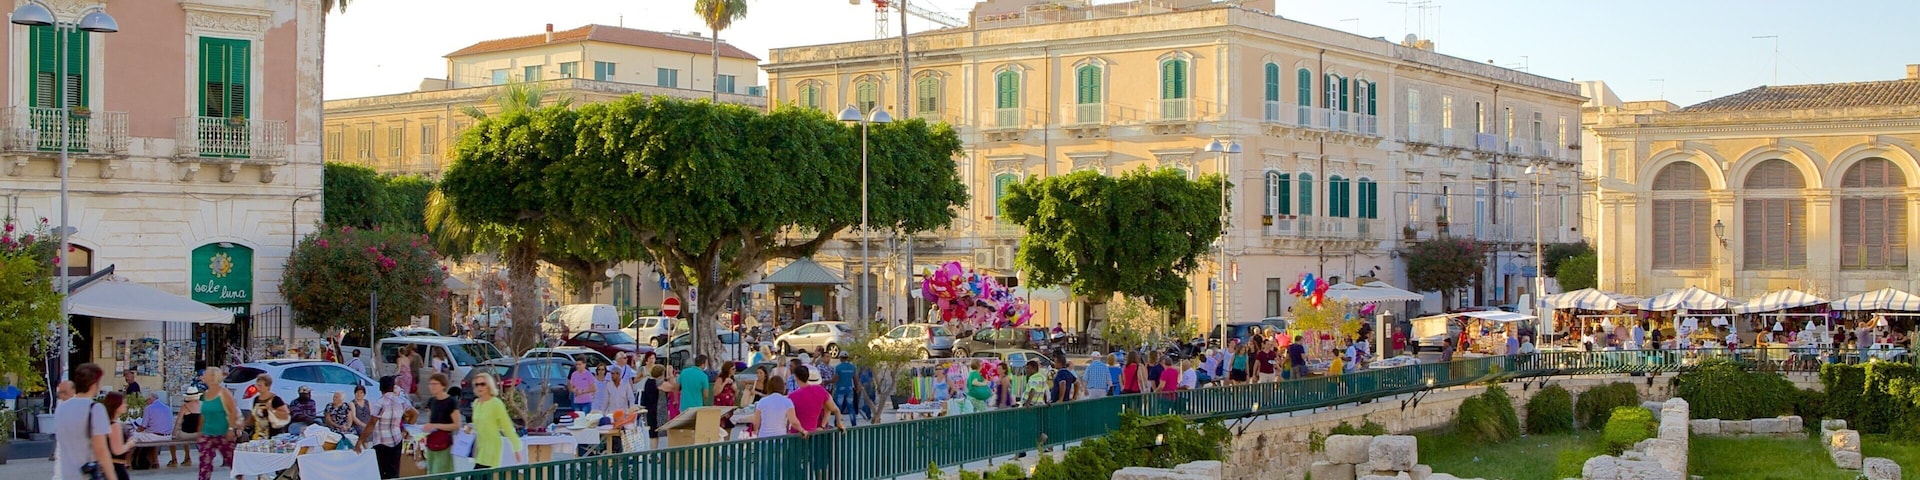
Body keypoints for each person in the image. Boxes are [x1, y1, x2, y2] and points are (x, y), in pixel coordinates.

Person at [57, 363, 118, 480]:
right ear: (94, 384)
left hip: (67, 473)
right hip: (87, 473)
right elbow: (101, 449)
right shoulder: (95, 408)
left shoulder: (61, 408)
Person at [468, 372, 524, 470]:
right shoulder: (476, 403)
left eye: (482, 384)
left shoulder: (496, 404)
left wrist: (516, 448)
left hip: (491, 447)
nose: (479, 387)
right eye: (477, 384)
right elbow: (478, 424)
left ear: (489, 385)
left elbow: (507, 426)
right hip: (479, 447)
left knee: (478, 476)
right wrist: (469, 429)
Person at [361, 376, 413, 479]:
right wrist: (406, 430)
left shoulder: (380, 403)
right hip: (397, 439)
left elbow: (371, 423)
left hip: (381, 441)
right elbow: (415, 414)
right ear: (392, 387)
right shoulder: (401, 401)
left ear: (380, 388)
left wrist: (361, 440)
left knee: (381, 471)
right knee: (394, 471)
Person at [195, 368, 238, 480]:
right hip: (207, 434)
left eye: (206, 374)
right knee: (204, 465)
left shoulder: (224, 393)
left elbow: (233, 411)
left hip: (223, 433)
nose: (204, 376)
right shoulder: (206, 394)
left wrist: (230, 428)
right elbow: (203, 414)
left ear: (213, 377)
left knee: (232, 461)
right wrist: (200, 432)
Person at [421, 374, 463, 475]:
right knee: (431, 472)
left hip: (444, 443)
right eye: (430, 384)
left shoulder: (451, 402)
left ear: (443, 385)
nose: (432, 386)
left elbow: (457, 425)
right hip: (431, 442)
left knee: (441, 472)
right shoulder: (431, 401)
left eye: (435, 384)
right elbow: (431, 421)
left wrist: (436, 426)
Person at [788, 367, 845, 433]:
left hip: (796, 435)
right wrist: (839, 423)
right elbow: (835, 409)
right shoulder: (820, 390)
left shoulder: (792, 396)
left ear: (796, 377)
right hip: (814, 433)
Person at [101, 392, 138, 480]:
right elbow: (117, 450)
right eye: (123, 402)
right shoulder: (115, 426)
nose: (126, 405)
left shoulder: (106, 423)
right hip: (117, 467)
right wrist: (130, 443)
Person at [247, 375, 290, 440]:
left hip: (273, 435)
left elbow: (286, 415)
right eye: (257, 385)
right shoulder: (256, 399)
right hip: (258, 434)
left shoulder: (275, 399)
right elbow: (253, 416)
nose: (258, 387)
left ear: (267, 386)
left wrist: (271, 410)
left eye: (260, 385)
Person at [832, 354, 860, 425]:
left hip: (840, 388)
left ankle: (837, 422)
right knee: (851, 407)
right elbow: (855, 379)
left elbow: (835, 379)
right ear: (847, 358)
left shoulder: (838, 367)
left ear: (840, 358)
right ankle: (853, 423)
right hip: (849, 389)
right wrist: (857, 388)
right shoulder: (852, 367)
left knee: (839, 406)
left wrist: (829, 381)